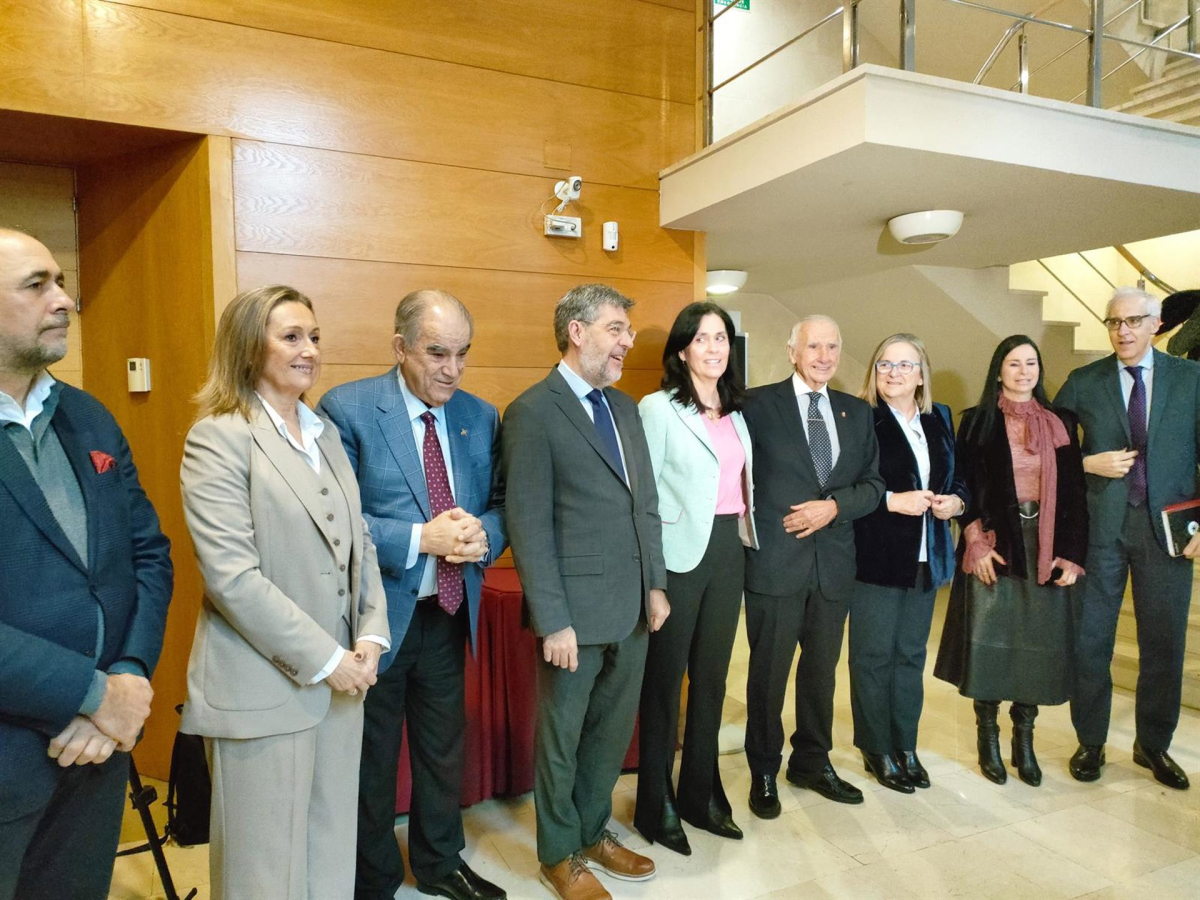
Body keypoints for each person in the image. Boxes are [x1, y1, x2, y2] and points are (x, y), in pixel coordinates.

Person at [180, 285, 389, 899]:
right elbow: (232, 578)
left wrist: (371, 635)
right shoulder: (218, 437)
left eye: (315, 337)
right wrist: (328, 660)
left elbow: (360, 542)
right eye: (292, 337)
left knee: (329, 859)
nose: (310, 350)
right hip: (261, 689)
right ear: (249, 347)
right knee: (262, 874)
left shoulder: (325, 434)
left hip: (343, 688)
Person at [317, 289, 508, 900]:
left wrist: (484, 536)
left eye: (462, 354)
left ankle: (439, 862)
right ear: (400, 347)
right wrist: (422, 538)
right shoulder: (347, 408)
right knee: (372, 757)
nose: (452, 369)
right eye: (437, 353)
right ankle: (371, 879)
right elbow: (333, 518)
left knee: (442, 749)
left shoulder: (480, 415)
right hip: (377, 620)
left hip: (449, 612)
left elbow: (500, 505)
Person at [0, 228, 173, 900]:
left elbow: (147, 556)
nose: (65, 301)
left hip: (96, 757)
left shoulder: (88, 416)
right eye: (36, 285)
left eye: (61, 282)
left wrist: (127, 674)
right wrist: (94, 695)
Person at [503, 284, 669, 900]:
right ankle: (558, 853)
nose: (627, 342)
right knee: (563, 739)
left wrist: (656, 585)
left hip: (633, 606)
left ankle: (594, 831)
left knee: (609, 734)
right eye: (616, 329)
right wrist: (552, 619)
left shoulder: (625, 407)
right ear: (577, 332)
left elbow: (645, 504)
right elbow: (528, 523)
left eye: (628, 331)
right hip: (572, 613)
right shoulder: (532, 411)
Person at [1056, 286, 1200, 790]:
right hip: (1100, 532)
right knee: (1090, 640)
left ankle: (1152, 744)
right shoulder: (1083, 381)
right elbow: (1047, 453)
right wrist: (1084, 462)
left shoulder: (1192, 378)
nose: (1123, 331)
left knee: (1164, 643)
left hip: (1169, 533)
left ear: (1157, 324)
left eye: (1134, 321)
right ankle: (1090, 741)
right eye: (1114, 322)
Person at [741, 315, 884, 816]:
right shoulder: (756, 405)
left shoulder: (857, 412)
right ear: (792, 351)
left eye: (833, 347)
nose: (824, 357)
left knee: (821, 674)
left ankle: (812, 762)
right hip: (775, 564)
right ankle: (763, 769)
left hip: (833, 568)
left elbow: (874, 485)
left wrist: (835, 507)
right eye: (814, 346)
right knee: (768, 676)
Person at [934, 335, 1087, 787]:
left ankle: (1024, 740)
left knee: (1035, 648)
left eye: (1031, 363)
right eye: (1014, 363)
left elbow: (1075, 494)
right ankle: (988, 737)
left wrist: (1073, 555)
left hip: (1046, 546)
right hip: (996, 544)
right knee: (989, 644)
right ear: (998, 370)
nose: (1024, 371)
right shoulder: (977, 421)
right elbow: (962, 483)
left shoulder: (1061, 421)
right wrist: (975, 541)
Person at [634, 302, 757, 856]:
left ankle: (700, 793)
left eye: (722, 338)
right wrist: (653, 581)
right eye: (703, 338)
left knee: (711, 680)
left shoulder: (736, 411)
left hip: (730, 547)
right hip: (678, 556)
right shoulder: (659, 408)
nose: (714, 348)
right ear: (682, 350)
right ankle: (655, 803)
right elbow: (643, 498)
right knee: (664, 684)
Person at [849, 334, 966, 793]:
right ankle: (876, 747)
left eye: (905, 365)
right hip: (876, 557)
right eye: (884, 364)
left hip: (927, 557)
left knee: (910, 656)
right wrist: (891, 500)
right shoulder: (862, 418)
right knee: (873, 657)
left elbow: (959, 479)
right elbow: (846, 487)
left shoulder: (940, 417)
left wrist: (956, 503)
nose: (893, 373)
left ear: (921, 375)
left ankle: (906, 746)